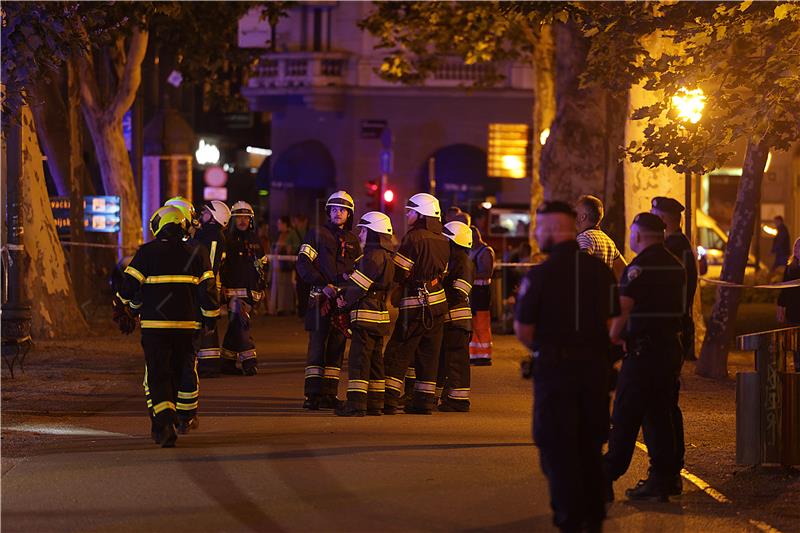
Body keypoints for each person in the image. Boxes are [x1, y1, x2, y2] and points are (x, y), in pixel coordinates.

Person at [513, 201, 619, 533]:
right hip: (596, 373)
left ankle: (571, 519)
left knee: (557, 447)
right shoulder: (601, 271)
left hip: (556, 375)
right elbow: (616, 322)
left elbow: (524, 329)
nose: (536, 233)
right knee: (589, 443)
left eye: (539, 227)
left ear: (554, 228)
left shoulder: (541, 275)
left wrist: (548, 350)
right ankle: (594, 515)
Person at [115, 206, 219, 447]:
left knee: (158, 374)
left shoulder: (147, 252)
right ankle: (182, 417)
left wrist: (123, 307)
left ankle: (163, 424)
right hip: (187, 325)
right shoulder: (197, 252)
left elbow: (128, 286)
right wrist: (210, 318)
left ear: (159, 225)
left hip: (155, 327)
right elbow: (208, 291)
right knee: (182, 370)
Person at [604, 212, 686, 502]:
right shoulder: (676, 265)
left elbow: (624, 308)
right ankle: (663, 478)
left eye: (631, 233)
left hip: (642, 353)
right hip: (668, 351)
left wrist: (613, 337)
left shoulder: (638, 267)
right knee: (659, 415)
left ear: (638, 235)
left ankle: (604, 478)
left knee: (625, 415)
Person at [383, 192, 450, 415]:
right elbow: (444, 273)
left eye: (411, 211)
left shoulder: (413, 238)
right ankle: (423, 402)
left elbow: (400, 272)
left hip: (415, 305)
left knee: (399, 350)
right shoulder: (443, 240)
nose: (408, 215)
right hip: (438, 304)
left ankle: (389, 400)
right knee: (429, 354)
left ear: (422, 215)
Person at [296, 191, 361, 410]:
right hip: (320, 298)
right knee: (317, 346)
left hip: (342, 301)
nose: (338, 213)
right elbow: (303, 263)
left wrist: (348, 292)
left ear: (349, 214)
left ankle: (329, 394)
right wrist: (322, 284)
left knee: (337, 346)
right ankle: (312, 395)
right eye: (334, 209)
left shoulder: (353, 241)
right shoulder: (316, 234)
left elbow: (358, 270)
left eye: (342, 210)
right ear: (328, 212)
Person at [334, 212, 396, 417]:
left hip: (366, 314)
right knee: (376, 361)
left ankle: (356, 404)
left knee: (359, 360)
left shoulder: (371, 256)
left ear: (373, 233)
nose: (360, 233)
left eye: (363, 230)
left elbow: (359, 287)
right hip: (379, 315)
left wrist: (343, 301)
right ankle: (375, 403)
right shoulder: (387, 255)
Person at [220, 201, 268, 376]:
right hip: (232, 292)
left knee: (235, 326)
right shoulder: (227, 240)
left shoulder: (255, 240)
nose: (242, 221)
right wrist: (221, 287)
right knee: (242, 324)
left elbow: (262, 265)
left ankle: (227, 361)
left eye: (246, 217)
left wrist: (262, 286)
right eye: (239, 217)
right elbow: (221, 265)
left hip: (251, 292)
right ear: (232, 219)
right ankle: (249, 361)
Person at [650, 196, 698, 361]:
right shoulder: (676, 242)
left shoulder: (674, 247)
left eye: (652, 214)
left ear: (662, 219)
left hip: (671, 322)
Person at [436, 220, 475, 412]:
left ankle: (459, 400)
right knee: (448, 361)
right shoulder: (455, 260)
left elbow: (460, 292)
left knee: (456, 362)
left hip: (457, 320)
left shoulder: (463, 262)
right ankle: (449, 396)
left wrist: (439, 294)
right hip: (452, 320)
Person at [194, 200, 231, 378]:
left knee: (205, 324)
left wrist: (203, 285)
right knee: (206, 324)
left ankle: (208, 365)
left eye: (206, 212)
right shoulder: (207, 233)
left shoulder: (213, 236)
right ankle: (208, 364)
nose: (203, 214)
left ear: (215, 217)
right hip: (205, 286)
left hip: (205, 286)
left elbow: (208, 263)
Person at [575, 194, 627, 280]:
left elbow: (580, 266)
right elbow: (624, 269)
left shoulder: (584, 237)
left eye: (576, 212)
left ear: (583, 217)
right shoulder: (608, 241)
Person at [469, 226, 495, 366]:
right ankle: (474, 355)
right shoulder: (473, 251)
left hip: (482, 291)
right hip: (474, 290)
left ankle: (485, 356)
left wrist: (469, 275)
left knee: (482, 323)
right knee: (474, 323)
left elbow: (487, 272)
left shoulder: (486, 252)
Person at [778, 237, 800, 370]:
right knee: (795, 341)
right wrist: (780, 307)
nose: (797, 249)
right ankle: (797, 366)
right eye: (796, 247)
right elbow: (784, 290)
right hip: (793, 310)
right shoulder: (790, 268)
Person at [270, 215, 299, 316]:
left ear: (285, 224)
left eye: (280, 223)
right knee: (280, 285)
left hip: (287, 263)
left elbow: (296, 246)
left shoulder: (291, 234)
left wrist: (288, 249)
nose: (278, 225)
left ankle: (288, 308)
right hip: (278, 264)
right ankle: (280, 307)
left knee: (287, 286)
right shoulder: (280, 235)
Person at [292, 214, 312, 317]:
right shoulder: (311, 232)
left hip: (299, 265)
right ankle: (307, 312)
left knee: (301, 289)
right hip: (309, 266)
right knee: (307, 289)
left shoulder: (293, 233)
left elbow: (289, 249)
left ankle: (302, 312)